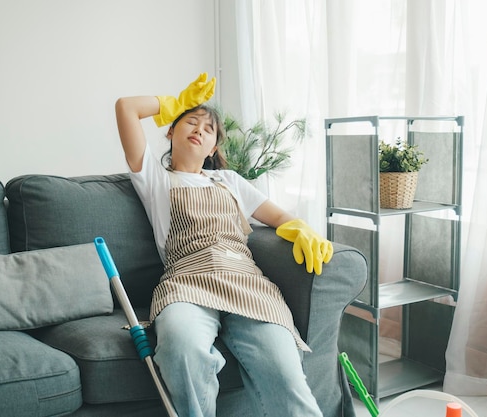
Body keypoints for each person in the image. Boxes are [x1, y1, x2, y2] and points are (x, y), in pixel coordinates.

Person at [115, 73, 333, 417]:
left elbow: (279, 217)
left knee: (286, 374)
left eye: (208, 128)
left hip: (247, 281)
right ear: (171, 132)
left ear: (214, 147)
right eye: (190, 120)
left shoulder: (229, 181)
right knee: (181, 348)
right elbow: (126, 108)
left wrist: (302, 229)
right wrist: (174, 102)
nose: (199, 128)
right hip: (187, 282)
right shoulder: (154, 180)